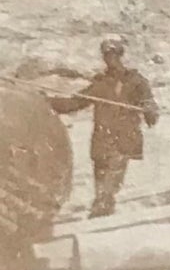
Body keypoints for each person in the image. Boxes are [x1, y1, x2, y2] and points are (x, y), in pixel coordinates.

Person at [52, 37, 159, 216]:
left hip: (123, 141)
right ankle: (101, 213)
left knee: (107, 190)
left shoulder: (136, 81)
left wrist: (149, 110)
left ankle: (101, 211)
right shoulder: (100, 84)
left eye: (114, 55)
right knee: (101, 187)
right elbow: (73, 104)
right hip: (101, 143)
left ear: (120, 55)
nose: (110, 59)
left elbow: (151, 109)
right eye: (107, 55)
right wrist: (45, 100)